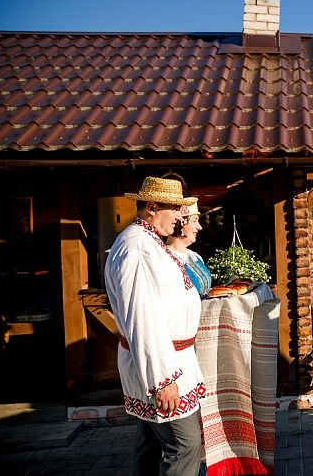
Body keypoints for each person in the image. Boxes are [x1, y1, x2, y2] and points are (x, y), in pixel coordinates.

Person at [104, 176, 205, 475]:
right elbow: (142, 318)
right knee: (184, 446)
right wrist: (162, 379)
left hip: (169, 360)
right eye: (174, 209)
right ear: (151, 207)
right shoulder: (137, 248)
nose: (179, 217)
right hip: (161, 365)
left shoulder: (150, 242)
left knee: (149, 443)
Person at [166, 202, 212, 299]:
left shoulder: (194, 256)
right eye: (194, 221)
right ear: (180, 224)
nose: (199, 227)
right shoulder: (165, 258)